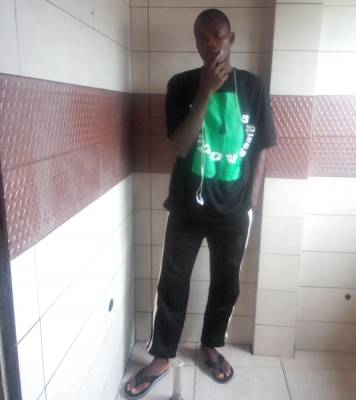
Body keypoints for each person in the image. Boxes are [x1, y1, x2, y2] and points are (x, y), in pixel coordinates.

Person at [125, 8, 276, 399]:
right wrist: (206, 93)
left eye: (218, 35)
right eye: (203, 36)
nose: (211, 43)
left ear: (231, 38)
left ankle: (210, 346)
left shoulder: (253, 86)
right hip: (186, 209)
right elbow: (179, 146)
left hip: (234, 211)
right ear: (195, 41)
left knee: (227, 284)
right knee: (172, 284)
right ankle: (161, 357)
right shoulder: (181, 85)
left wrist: (251, 199)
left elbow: (261, 147)